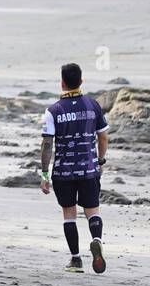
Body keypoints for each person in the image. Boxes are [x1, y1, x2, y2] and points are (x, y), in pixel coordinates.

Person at [40, 63, 109, 274]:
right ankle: (96, 239)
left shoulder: (54, 111)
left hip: (63, 172)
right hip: (89, 169)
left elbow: (47, 145)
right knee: (92, 211)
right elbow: (103, 135)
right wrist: (101, 160)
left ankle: (76, 259)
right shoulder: (92, 105)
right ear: (81, 81)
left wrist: (44, 174)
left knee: (69, 213)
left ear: (62, 83)